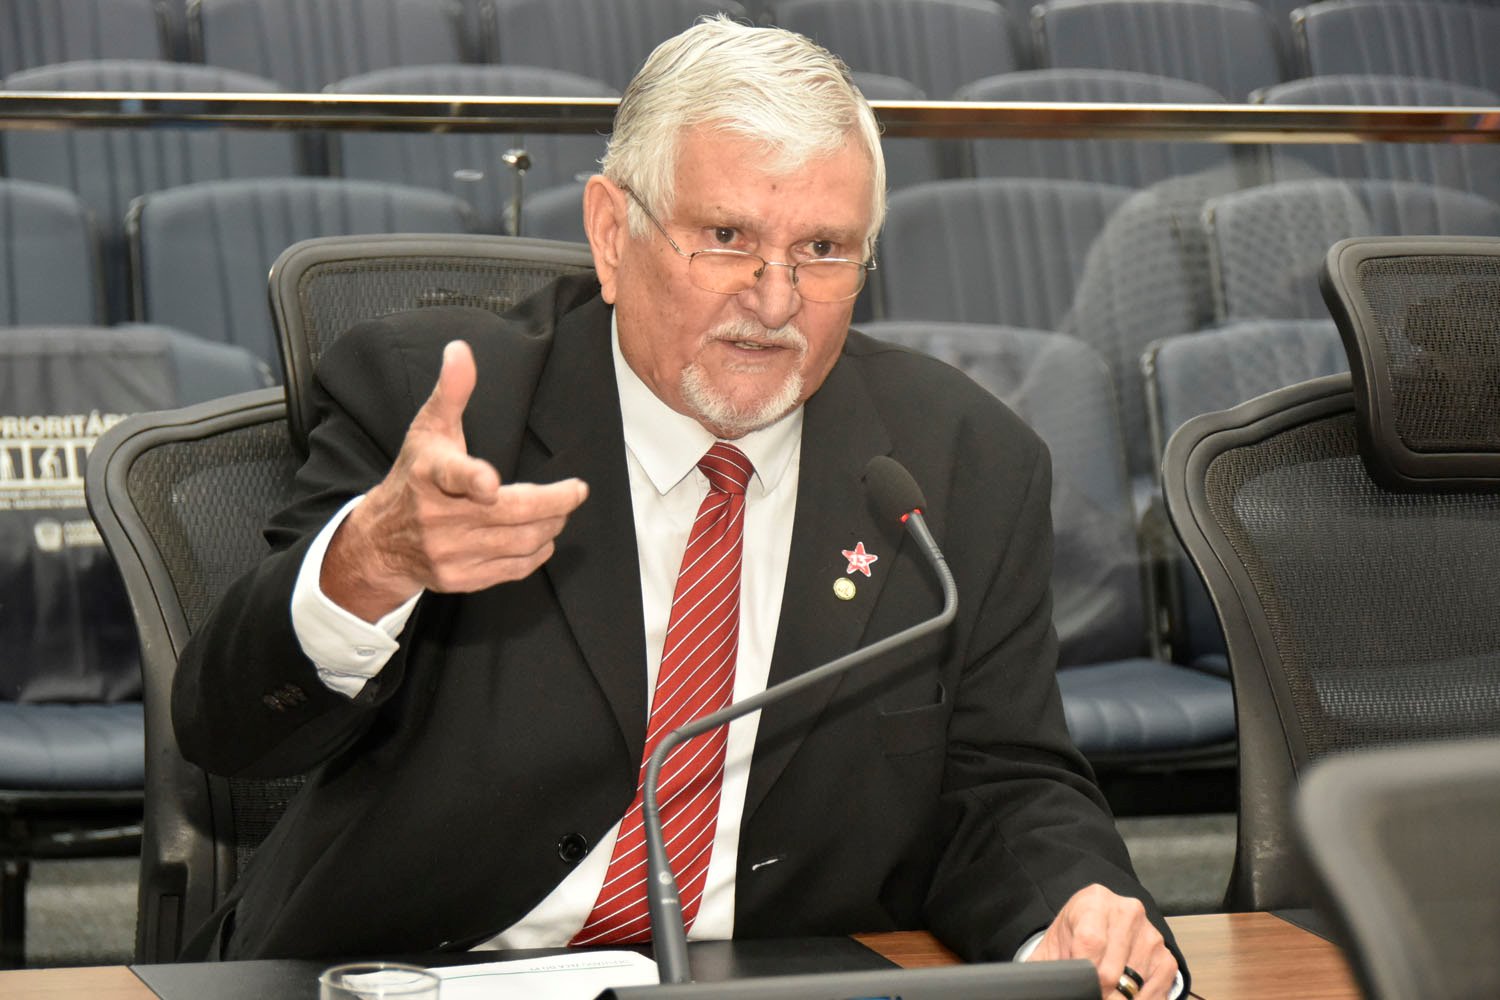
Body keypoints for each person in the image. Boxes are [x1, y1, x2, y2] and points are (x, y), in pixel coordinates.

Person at [172, 16, 1186, 999]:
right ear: (612, 234)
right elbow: (229, 732)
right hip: (430, 975)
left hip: (777, 983)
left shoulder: (961, 462)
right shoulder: (444, 410)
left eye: (824, 248)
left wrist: (1071, 911)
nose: (776, 300)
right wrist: (370, 564)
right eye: (727, 237)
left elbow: (1005, 781)